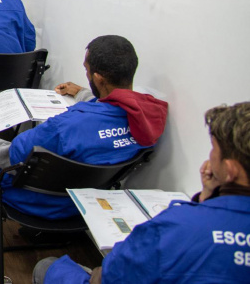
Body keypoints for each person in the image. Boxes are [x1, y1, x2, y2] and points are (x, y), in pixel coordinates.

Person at [0, 35, 168, 220]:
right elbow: (109, 111)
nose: (86, 74)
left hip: (42, 201)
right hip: (87, 202)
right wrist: (82, 93)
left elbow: (10, 157)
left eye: (87, 70)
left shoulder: (65, 127)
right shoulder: (149, 119)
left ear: (99, 79)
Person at [34, 101, 250, 284]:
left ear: (231, 170)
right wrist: (206, 197)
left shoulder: (177, 226)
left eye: (214, 150)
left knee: (47, 267)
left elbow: (111, 276)